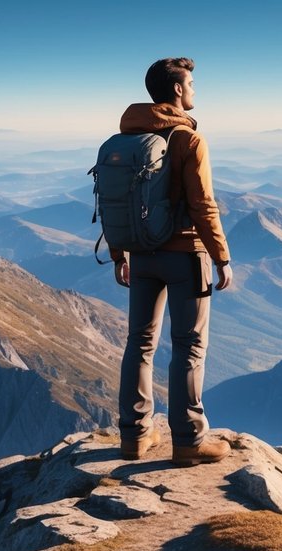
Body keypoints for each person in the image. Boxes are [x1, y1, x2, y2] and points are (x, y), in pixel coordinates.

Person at [113, 57, 234, 466]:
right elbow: (203, 205)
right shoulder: (188, 140)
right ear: (178, 91)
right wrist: (222, 257)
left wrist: (119, 254)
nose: (195, 91)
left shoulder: (129, 138)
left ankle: (134, 436)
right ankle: (189, 440)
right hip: (185, 256)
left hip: (140, 252)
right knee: (188, 347)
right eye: (192, 84)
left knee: (139, 343)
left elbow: (115, 200)